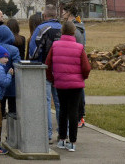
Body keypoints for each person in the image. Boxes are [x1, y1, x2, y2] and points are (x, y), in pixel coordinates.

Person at [46, 21, 91, 153]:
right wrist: (83, 77)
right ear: (73, 32)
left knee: (63, 110)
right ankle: (72, 141)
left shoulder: (55, 45)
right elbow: (86, 67)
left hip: (60, 83)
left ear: (62, 32)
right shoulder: (79, 47)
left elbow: (47, 64)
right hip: (76, 85)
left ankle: (61, 138)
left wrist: (53, 79)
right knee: (73, 112)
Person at [30, 5, 63, 142]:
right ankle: (63, 133)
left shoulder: (41, 29)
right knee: (60, 102)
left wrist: (35, 62)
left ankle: (47, 134)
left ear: (45, 16)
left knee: (46, 102)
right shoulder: (63, 29)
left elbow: (34, 50)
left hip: (45, 68)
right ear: (55, 15)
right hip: (61, 70)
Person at [0, 24, 21, 115]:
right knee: (13, 111)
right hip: (12, 84)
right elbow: (17, 67)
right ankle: (12, 128)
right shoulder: (14, 50)